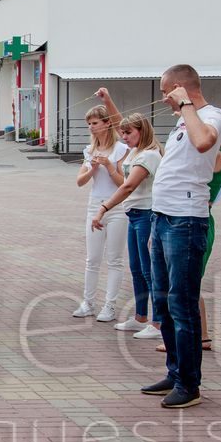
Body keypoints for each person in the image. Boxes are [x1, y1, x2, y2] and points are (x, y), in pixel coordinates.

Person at [140, 64, 221, 409]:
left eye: (166, 91)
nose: (163, 99)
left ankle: (190, 384)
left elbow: (205, 142)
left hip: (185, 220)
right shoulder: (183, 121)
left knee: (182, 302)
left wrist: (187, 105)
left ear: (180, 87)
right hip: (163, 219)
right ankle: (175, 372)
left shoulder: (210, 115)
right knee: (162, 300)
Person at [90, 100, 163, 340]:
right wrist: (107, 99)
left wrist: (103, 208)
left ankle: (158, 322)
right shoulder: (135, 151)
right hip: (134, 215)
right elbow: (122, 121)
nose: (124, 136)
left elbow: (128, 186)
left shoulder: (150, 155)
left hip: (146, 215)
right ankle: (141, 317)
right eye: (122, 133)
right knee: (137, 269)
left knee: (149, 270)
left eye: (129, 133)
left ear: (142, 131)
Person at [74, 105, 129, 322]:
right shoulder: (89, 150)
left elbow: (125, 183)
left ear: (107, 123)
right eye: (89, 123)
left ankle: (110, 305)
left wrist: (109, 166)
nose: (91, 127)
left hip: (118, 206)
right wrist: (92, 169)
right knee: (92, 258)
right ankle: (88, 302)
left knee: (114, 258)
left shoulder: (120, 149)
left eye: (95, 123)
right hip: (94, 205)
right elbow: (80, 181)